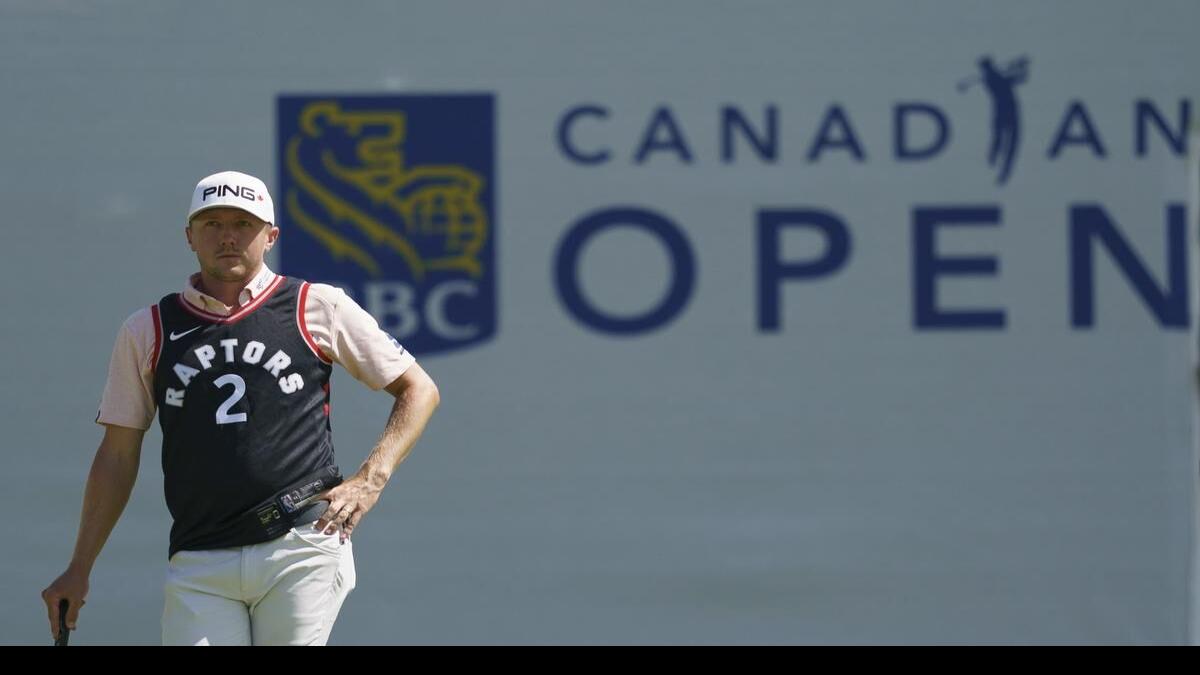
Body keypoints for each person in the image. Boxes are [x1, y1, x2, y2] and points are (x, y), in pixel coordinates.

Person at [41, 170, 440, 645]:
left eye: (243, 224)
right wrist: (78, 568)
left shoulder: (316, 305)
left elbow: (419, 389)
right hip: (199, 554)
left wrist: (369, 481)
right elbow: (118, 454)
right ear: (189, 236)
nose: (228, 237)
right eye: (211, 223)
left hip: (301, 543)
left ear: (271, 236)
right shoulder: (148, 329)